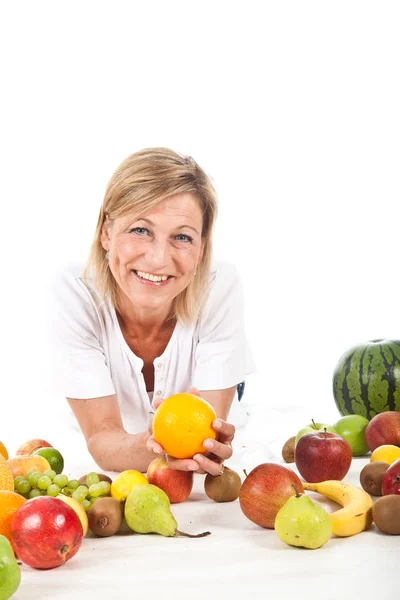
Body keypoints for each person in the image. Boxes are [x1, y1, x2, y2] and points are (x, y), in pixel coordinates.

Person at [51, 147, 256, 475]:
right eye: (140, 230)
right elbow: (103, 440)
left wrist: (198, 445)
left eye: (182, 237)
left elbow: (204, 437)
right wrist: (159, 445)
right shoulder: (75, 291)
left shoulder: (220, 285)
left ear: (202, 249)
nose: (159, 259)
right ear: (107, 233)